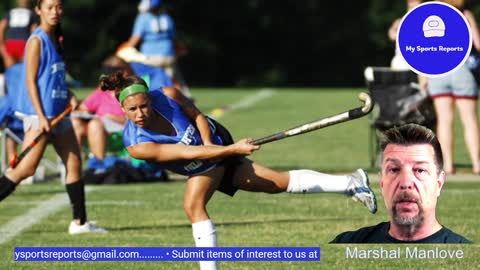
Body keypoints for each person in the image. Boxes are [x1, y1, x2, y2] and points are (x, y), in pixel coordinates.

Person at [100, 71, 377, 270]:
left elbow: (197, 116)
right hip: (199, 158)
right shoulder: (137, 146)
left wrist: (213, 143)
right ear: (122, 109)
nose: (140, 114)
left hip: (215, 141)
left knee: (193, 205)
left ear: (150, 98)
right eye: (133, 109)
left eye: (144, 106)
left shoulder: (168, 95)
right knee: (274, 183)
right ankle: (351, 183)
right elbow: (188, 153)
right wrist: (229, 151)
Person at [0, 0, 105, 234]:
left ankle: (79, 223)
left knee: (74, 162)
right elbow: (29, 81)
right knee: (23, 170)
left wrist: (70, 95)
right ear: (38, 10)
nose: (55, 12)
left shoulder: (57, 40)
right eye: (49, 7)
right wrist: (40, 115)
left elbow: (54, 79)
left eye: (58, 7)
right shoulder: (36, 41)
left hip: (59, 114)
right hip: (42, 117)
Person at [331, 124, 472, 243]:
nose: (406, 183)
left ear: (439, 183)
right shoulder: (347, 243)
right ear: (382, 183)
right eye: (394, 169)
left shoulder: (466, 256)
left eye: (420, 170)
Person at [426, 0, 480, 174]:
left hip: (437, 71)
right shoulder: (465, 14)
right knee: (469, 120)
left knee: (444, 120)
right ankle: (477, 163)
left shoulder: (433, 13)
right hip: (462, 71)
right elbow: (477, 43)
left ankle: (448, 165)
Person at [122, 0, 192, 99]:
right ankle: (186, 99)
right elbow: (174, 38)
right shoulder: (166, 17)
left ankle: (143, 98)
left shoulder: (143, 18)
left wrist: (124, 49)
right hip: (168, 54)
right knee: (173, 79)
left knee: (144, 78)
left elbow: (135, 39)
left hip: (150, 56)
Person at [71, 85, 127, 172]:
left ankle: (98, 165)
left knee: (95, 124)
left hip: (118, 127)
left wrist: (112, 117)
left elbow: (132, 118)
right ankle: (72, 163)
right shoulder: (102, 93)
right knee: (75, 123)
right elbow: (82, 108)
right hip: (98, 126)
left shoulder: (127, 93)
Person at [0, 0, 39, 68]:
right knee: (23, 72)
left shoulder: (11, 12)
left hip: (10, 43)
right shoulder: (31, 14)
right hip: (24, 44)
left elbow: (2, 26)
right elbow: (34, 31)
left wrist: (2, 45)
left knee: (11, 72)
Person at [388, 0, 422, 70]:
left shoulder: (424, 24)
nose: (412, 9)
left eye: (416, 7)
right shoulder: (400, 22)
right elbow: (391, 36)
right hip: (401, 63)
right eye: (411, 7)